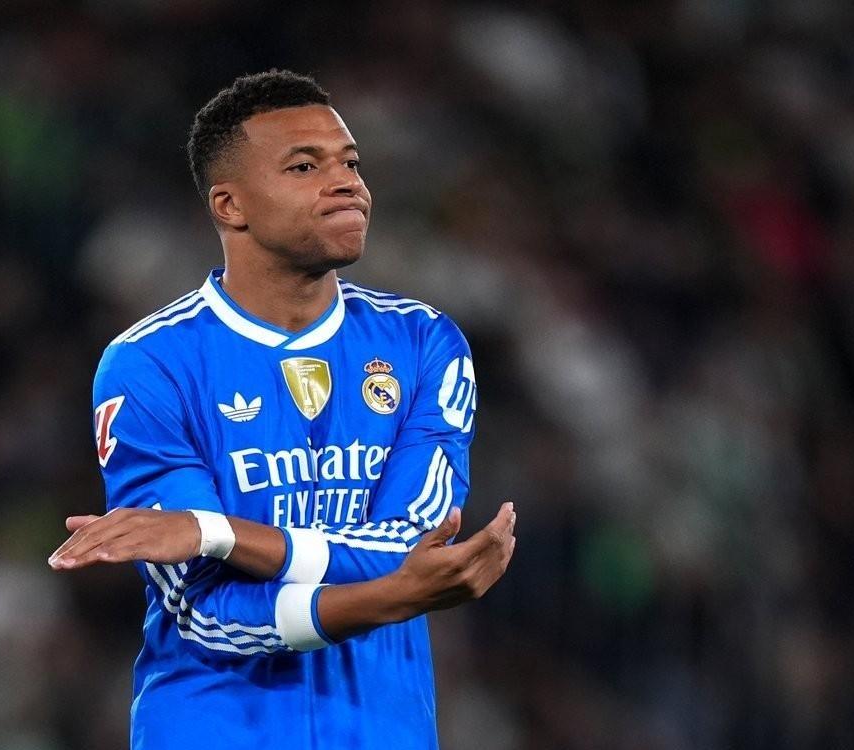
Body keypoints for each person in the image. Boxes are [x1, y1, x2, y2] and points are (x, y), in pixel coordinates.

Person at [49, 69, 515, 749]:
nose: (347, 184)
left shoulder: (423, 343)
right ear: (230, 205)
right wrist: (393, 597)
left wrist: (217, 533)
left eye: (350, 163)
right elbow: (207, 614)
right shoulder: (149, 363)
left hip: (381, 731)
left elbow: (408, 545)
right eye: (305, 166)